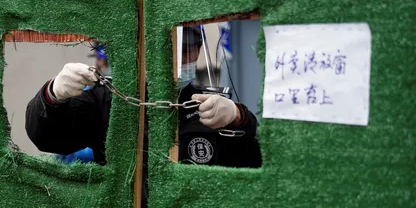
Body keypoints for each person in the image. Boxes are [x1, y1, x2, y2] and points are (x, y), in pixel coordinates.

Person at [25, 27, 262, 168]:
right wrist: (52, 96)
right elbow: (47, 139)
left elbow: (255, 162)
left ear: (199, 49)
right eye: (164, 51)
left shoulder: (211, 104)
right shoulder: (104, 100)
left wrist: (239, 118)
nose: (174, 61)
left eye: (186, 51)